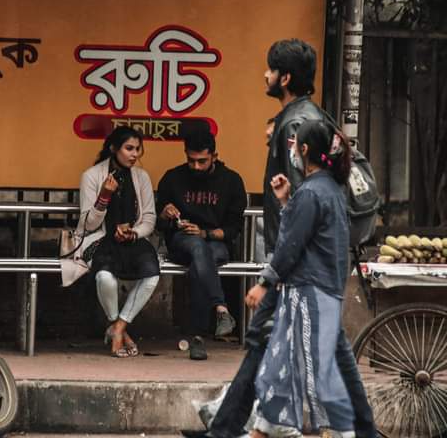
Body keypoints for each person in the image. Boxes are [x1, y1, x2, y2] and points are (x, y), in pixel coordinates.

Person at [207, 39, 376, 437]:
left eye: (269, 70)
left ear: (284, 77)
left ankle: (234, 427)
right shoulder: (310, 115)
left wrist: (272, 275)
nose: (264, 76)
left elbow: (305, 209)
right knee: (278, 343)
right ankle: (232, 426)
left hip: (303, 273)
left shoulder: (296, 125)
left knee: (270, 339)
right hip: (309, 273)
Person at [246, 120, 355, 437]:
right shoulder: (327, 189)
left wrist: (263, 283)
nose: (290, 151)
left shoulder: (312, 192)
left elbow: (291, 245)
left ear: (304, 150)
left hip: (310, 293)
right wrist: (285, 200)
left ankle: (340, 431)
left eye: (294, 145)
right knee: (280, 366)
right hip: (317, 291)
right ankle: (262, 430)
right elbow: (304, 232)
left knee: (315, 372)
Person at [156, 125, 246, 360]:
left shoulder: (232, 181)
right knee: (197, 248)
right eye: (191, 160)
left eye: (202, 161)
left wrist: (204, 233)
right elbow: (158, 223)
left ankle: (196, 337)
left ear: (214, 156)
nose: (196, 166)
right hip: (181, 242)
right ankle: (220, 307)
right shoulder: (172, 178)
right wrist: (165, 214)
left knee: (200, 258)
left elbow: (233, 229)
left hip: (214, 244)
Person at [74, 126, 160, 358]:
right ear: (114, 148)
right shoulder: (92, 176)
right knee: (104, 278)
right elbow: (88, 225)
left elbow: (150, 218)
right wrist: (104, 197)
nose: (134, 154)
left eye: (137, 149)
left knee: (152, 275)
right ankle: (116, 326)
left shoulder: (141, 177)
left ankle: (119, 327)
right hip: (102, 241)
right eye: (128, 148)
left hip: (132, 240)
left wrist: (134, 233)